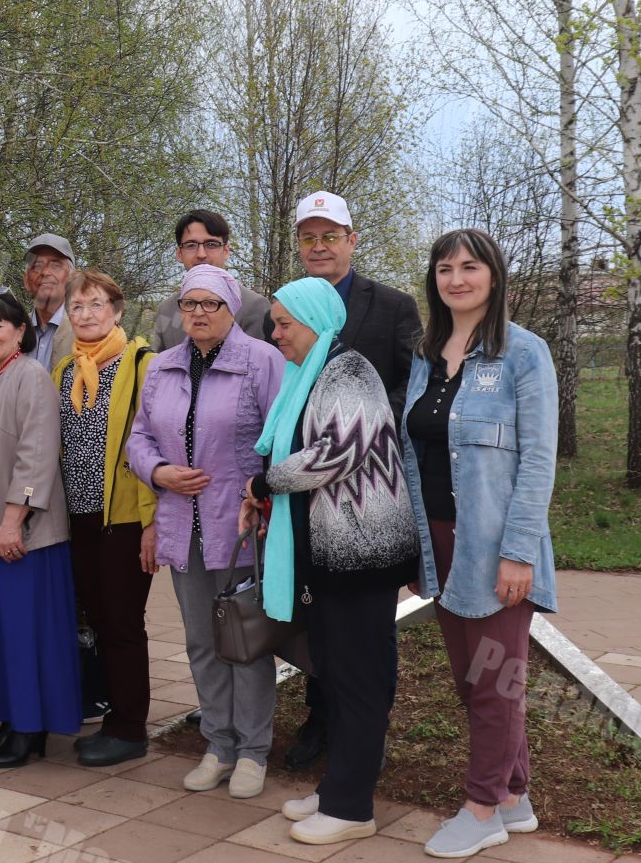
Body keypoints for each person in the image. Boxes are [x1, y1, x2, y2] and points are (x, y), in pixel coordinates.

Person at [239, 278, 420, 847]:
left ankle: (351, 806)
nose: (276, 333)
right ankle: (339, 784)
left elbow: (336, 453)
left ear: (317, 321)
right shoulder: (311, 372)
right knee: (337, 676)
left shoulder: (349, 372)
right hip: (329, 551)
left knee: (359, 679)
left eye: (286, 323)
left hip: (360, 552)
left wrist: (265, 480)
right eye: (273, 322)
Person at [402, 229, 559, 860]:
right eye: (445, 268)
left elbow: (539, 460)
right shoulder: (425, 354)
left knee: (497, 682)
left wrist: (519, 550)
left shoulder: (524, 353)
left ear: (493, 275)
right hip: (438, 543)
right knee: (472, 681)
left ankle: (481, 808)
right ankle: (515, 793)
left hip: (496, 545)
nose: (457, 278)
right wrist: (417, 548)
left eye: (470, 266)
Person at [267, 190, 421, 769]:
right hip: (306, 493)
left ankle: (365, 738)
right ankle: (322, 719)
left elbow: (411, 386)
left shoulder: (392, 306)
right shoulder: (288, 309)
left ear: (352, 240)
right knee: (320, 615)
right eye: (309, 237)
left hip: (364, 497)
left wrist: (370, 424)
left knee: (365, 630)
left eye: (330, 235)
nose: (319, 246)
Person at [126, 264, 284, 796]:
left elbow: (280, 438)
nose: (197, 313)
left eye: (209, 304)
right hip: (183, 522)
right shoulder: (163, 366)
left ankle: (253, 752)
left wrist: (260, 493)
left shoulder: (261, 361)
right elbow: (139, 437)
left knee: (245, 638)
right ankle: (218, 744)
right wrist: (158, 471)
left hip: (240, 526)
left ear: (231, 308)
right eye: (189, 303)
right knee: (201, 640)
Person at [0, 291, 82, 767]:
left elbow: (37, 451)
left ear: (19, 332)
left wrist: (14, 520)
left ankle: (31, 730)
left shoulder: (30, 376)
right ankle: (11, 720)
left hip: (21, 527)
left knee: (24, 629)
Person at [49, 271, 158, 768]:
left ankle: (129, 728)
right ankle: (112, 715)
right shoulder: (65, 372)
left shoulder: (143, 365)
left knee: (122, 623)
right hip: (78, 518)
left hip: (124, 520)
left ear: (117, 310)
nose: (86, 314)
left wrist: (153, 522)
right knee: (94, 620)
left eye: (96, 305)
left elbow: (157, 445)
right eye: (77, 306)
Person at [152, 211, 268, 350]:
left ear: (226, 250)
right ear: (179, 253)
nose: (201, 254)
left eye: (211, 244)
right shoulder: (167, 309)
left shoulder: (253, 307)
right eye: (191, 245)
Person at [21, 235, 76, 371]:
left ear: (72, 279)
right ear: (26, 280)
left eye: (56, 265)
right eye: (37, 266)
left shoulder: (85, 333)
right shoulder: (12, 331)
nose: (45, 272)